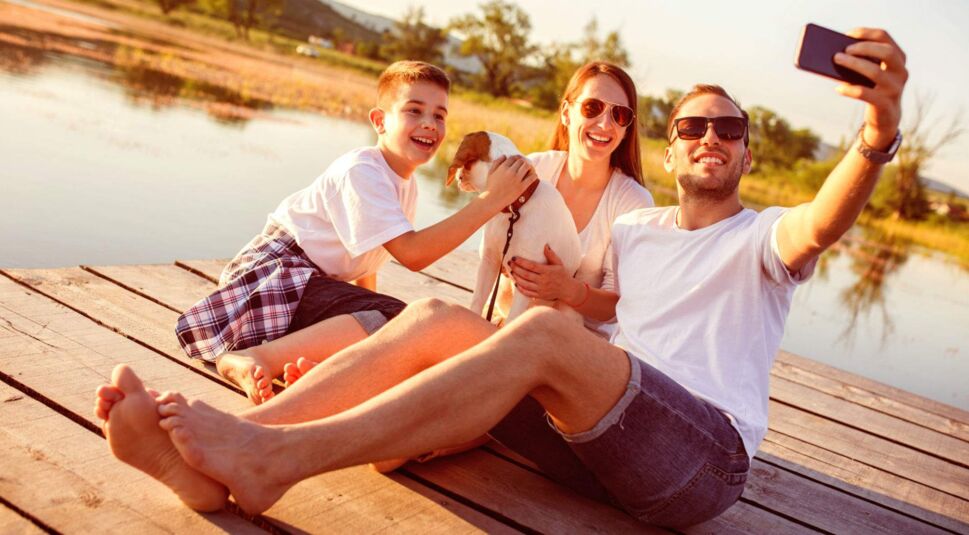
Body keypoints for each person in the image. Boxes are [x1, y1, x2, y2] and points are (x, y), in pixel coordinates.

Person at [96, 28, 907, 527]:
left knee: (540, 336)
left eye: (726, 129)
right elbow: (611, 309)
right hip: (596, 445)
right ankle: (220, 462)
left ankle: (274, 459)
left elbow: (825, 218)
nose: (708, 138)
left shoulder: (765, 237)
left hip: (698, 462)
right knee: (438, 318)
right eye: (690, 126)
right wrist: (563, 295)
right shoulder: (639, 228)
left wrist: (875, 134)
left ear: (745, 153)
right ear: (667, 149)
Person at [175, 60, 536, 405]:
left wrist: (369, 314)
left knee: (391, 326)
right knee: (403, 322)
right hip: (271, 280)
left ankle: (321, 370)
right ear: (379, 121)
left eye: (439, 115)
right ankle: (253, 358)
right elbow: (413, 255)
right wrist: (490, 201)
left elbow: (367, 264)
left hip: (308, 290)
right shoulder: (362, 171)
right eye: (414, 111)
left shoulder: (403, 183)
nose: (429, 123)